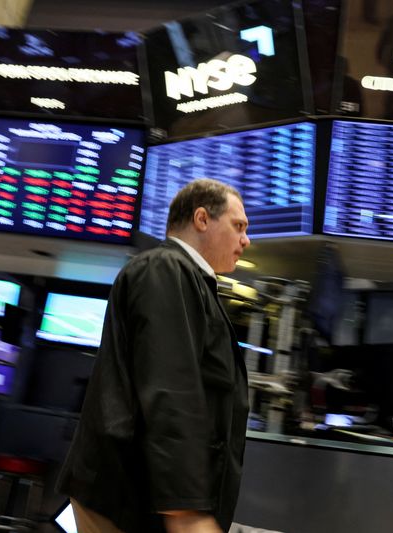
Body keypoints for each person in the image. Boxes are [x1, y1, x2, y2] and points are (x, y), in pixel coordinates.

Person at [57, 179, 251, 533]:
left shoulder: (191, 281)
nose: (246, 240)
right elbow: (171, 389)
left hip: (148, 500)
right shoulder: (165, 269)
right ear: (202, 219)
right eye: (238, 226)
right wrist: (186, 509)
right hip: (128, 498)